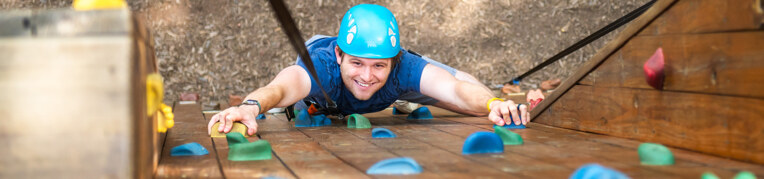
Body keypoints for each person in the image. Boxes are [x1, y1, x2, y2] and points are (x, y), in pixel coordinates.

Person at [208, 4, 530, 136]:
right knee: (286, 101)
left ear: (394, 60)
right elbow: (279, 88)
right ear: (339, 55)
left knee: (469, 96)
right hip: (323, 79)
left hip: (392, 88)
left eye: (379, 65)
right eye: (357, 62)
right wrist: (250, 106)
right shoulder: (321, 67)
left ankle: (405, 97)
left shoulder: (403, 67)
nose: (366, 75)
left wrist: (493, 104)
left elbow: (457, 88)